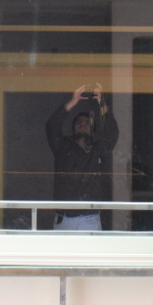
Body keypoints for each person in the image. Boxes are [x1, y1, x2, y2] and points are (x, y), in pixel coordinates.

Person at [45, 83, 119, 231]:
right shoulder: (62, 146)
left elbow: (112, 134)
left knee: (90, 255)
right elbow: (51, 127)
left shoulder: (98, 148)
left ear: (92, 130)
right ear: (73, 127)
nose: (82, 125)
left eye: (86, 123)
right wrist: (72, 102)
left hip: (89, 219)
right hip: (63, 219)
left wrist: (102, 105)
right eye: (79, 123)